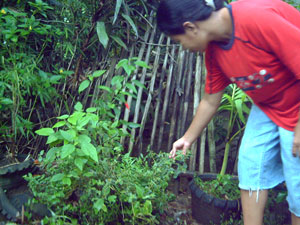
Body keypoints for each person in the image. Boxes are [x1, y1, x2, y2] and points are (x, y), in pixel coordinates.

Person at [156, 0, 300, 224]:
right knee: (250, 162)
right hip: (270, 106)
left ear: (190, 27)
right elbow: (210, 100)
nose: (183, 47)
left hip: (297, 106)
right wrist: (187, 138)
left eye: (179, 41)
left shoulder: (254, 18)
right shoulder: (214, 52)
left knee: (297, 184)